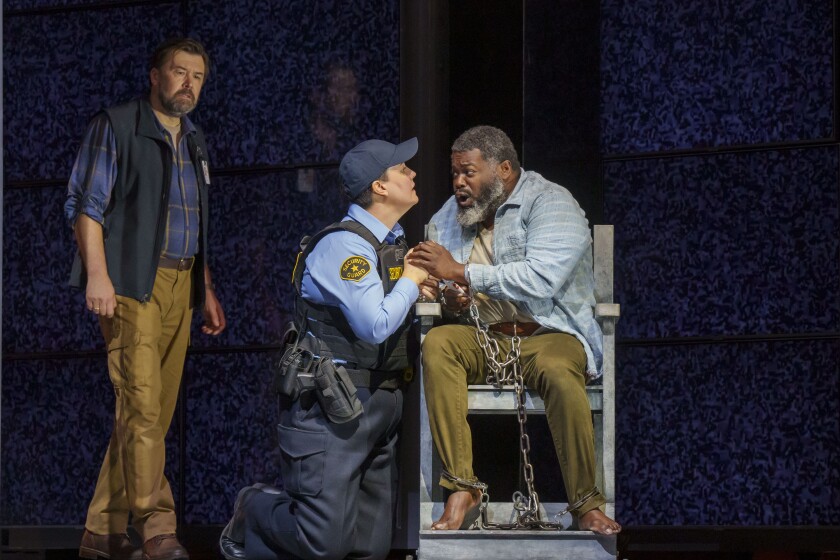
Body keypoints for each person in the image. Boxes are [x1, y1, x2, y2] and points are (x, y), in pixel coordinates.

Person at [220, 138, 433, 560]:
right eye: (401, 169)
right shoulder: (343, 246)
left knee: (368, 547)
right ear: (379, 186)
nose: (412, 174)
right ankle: (254, 509)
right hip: (334, 406)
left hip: (381, 402)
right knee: (322, 543)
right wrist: (412, 278)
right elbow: (374, 324)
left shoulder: (391, 241)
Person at [407, 125, 622, 535]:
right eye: (454, 173)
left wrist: (462, 271)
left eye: (468, 172)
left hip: (549, 334)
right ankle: (461, 489)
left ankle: (586, 503)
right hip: (486, 339)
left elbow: (541, 279)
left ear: (503, 169)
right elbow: (444, 283)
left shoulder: (551, 203)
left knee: (560, 372)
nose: (458, 183)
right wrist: (448, 295)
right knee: (438, 343)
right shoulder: (446, 218)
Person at [65, 37, 226, 560]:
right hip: (132, 282)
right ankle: (155, 528)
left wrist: (205, 287)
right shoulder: (116, 126)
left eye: (197, 77)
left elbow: (193, 221)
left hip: (182, 285)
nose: (188, 84)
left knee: (150, 414)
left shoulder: (195, 139)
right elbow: (86, 206)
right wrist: (97, 276)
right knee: (141, 406)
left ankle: (101, 531)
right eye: (179, 72)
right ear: (155, 76)